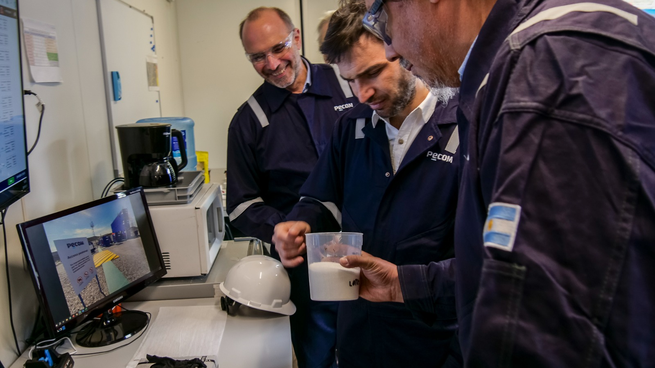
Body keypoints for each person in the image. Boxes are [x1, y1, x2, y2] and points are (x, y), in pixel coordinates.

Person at [343, 0, 655, 365]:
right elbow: (506, 267)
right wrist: (402, 284)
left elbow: (550, 329)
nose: (392, 46)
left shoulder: (548, 66)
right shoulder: (520, 65)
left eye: (382, 17)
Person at [272, 1, 461, 367]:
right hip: (361, 332)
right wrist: (300, 221)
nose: (362, 94)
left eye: (372, 73)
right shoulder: (352, 128)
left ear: (403, 50)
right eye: (350, 80)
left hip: (432, 338)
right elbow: (319, 197)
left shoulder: (464, 129)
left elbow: (481, 263)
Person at [226, 7, 359, 368]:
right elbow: (240, 205)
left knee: (369, 342)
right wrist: (282, 231)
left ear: (296, 37)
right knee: (317, 352)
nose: (271, 63)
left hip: (367, 246)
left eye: (278, 48)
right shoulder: (248, 122)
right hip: (304, 263)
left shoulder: (348, 82)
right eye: (257, 57)